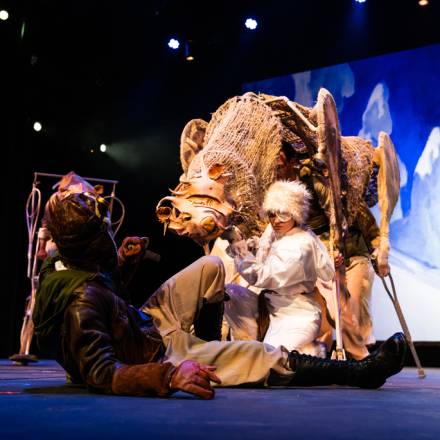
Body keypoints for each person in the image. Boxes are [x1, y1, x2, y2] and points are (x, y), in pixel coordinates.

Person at [32, 191, 407, 399]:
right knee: (263, 355)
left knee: (211, 266)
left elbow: (109, 304)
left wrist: (123, 264)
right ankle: (361, 373)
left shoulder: (70, 265)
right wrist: (169, 376)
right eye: (102, 231)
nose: (109, 234)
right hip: (154, 352)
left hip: (145, 325)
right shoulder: (81, 301)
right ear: (88, 243)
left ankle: (207, 344)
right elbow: (101, 372)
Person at [223, 180, 334, 356]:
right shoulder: (288, 234)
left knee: (273, 358)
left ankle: (311, 353)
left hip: (296, 315)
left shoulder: (300, 245)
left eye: (283, 214)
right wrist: (254, 246)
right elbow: (326, 271)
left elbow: (263, 276)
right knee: (230, 293)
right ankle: (247, 346)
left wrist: (238, 246)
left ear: (295, 213)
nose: (276, 220)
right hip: (271, 306)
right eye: (272, 214)